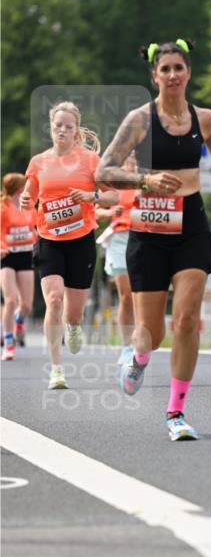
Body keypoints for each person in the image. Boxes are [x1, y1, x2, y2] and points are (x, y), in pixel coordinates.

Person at [95, 38, 211, 441]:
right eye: (165, 69)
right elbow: (103, 171)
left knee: (187, 320)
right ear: (154, 76)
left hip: (191, 225)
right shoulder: (139, 119)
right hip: (149, 230)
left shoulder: (204, 119)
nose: (172, 75)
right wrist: (144, 179)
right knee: (152, 332)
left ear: (188, 73)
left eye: (178, 68)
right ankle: (136, 357)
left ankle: (175, 413)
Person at [20, 102, 118, 389]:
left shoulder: (90, 160)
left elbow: (112, 198)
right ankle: (56, 369)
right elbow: (29, 197)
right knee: (53, 299)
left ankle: (73, 326)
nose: (62, 130)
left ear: (76, 131)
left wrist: (91, 197)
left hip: (81, 241)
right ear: (51, 127)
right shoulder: (39, 162)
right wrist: (27, 201)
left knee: (73, 312)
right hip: (49, 240)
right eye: (57, 125)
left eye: (68, 126)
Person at [95, 155, 138, 366]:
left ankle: (142, 340)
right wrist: (111, 211)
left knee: (142, 295)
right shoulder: (114, 183)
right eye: (129, 157)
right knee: (126, 295)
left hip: (144, 238)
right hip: (120, 239)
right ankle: (127, 346)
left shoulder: (147, 180)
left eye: (136, 157)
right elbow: (96, 211)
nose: (132, 161)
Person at [1, 173, 37, 360]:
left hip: (25, 256)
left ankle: (19, 319)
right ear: (18, 188)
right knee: (10, 300)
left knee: (26, 305)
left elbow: (36, 228)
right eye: (25, 186)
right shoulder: (3, 208)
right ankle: (8, 344)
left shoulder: (29, 206)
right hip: (6, 257)